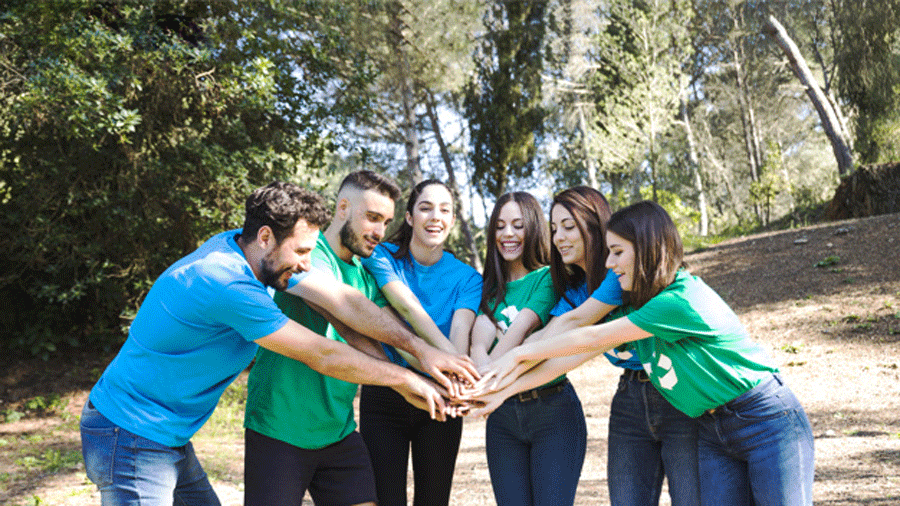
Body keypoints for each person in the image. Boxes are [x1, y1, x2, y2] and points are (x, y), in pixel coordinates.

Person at [79, 181, 460, 506]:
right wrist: (406, 380)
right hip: (129, 435)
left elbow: (344, 301)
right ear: (266, 237)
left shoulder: (248, 252)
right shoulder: (226, 283)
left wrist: (420, 349)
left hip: (167, 436)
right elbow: (323, 353)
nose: (309, 264)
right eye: (303, 251)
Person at [475, 200, 815, 506]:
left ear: (647, 249)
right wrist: (504, 390)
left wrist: (516, 357)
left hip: (765, 417)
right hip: (713, 425)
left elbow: (590, 335)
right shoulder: (634, 300)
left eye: (618, 252)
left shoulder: (676, 301)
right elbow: (574, 352)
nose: (609, 263)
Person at [243, 172, 478, 506]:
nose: (379, 232)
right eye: (372, 218)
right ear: (342, 208)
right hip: (279, 426)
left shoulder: (366, 271)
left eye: (385, 221)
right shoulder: (304, 253)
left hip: (337, 431)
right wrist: (422, 356)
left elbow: (384, 338)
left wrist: (435, 382)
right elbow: (348, 310)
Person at [508, 187, 700, 506]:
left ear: (595, 226)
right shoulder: (572, 290)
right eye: (554, 229)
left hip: (676, 390)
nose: (559, 238)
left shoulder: (617, 274)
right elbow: (551, 345)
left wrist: (500, 374)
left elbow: (579, 329)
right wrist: (495, 384)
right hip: (629, 399)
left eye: (569, 227)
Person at [359, 179, 483, 506]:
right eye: (425, 208)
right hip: (386, 391)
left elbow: (458, 335)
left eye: (445, 210)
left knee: (434, 499)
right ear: (410, 217)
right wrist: (447, 365)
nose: (435, 217)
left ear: (453, 220)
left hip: (440, 396)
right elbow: (405, 310)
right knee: (386, 499)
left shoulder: (468, 278)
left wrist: (457, 376)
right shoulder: (380, 256)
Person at [468, 191, 583, 506]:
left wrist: (483, 385)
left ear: (533, 228)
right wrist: (482, 381)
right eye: (500, 225)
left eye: (518, 225)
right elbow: (477, 344)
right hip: (503, 420)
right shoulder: (489, 287)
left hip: (552, 413)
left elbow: (517, 334)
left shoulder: (547, 278)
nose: (508, 234)